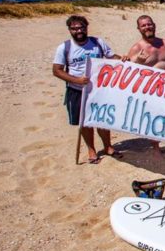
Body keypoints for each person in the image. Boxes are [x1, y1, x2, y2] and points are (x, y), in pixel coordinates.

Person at [52, 15, 123, 164]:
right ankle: (91, 150)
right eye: (75, 28)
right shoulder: (64, 48)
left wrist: (121, 59)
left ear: (86, 27)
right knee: (84, 122)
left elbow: (111, 56)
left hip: (98, 89)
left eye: (81, 27)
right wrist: (76, 80)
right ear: (70, 30)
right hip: (77, 90)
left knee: (102, 119)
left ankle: (108, 147)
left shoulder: (97, 43)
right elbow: (57, 70)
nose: (78, 30)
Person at [126, 15, 165, 158]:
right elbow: (128, 72)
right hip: (149, 90)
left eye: (149, 24)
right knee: (152, 118)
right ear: (139, 29)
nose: (147, 27)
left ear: (154, 25)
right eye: (144, 25)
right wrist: (138, 62)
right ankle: (156, 147)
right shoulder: (137, 48)